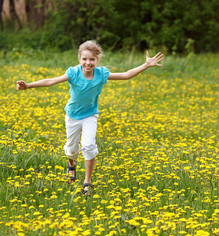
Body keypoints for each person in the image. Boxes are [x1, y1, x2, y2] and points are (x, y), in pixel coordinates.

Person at [17, 40, 164, 195]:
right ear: (79, 59)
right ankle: (71, 165)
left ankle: (87, 181)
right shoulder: (73, 73)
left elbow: (126, 75)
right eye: (84, 59)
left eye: (92, 59)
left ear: (97, 60)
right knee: (72, 149)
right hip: (72, 116)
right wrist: (28, 85)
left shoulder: (101, 74)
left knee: (88, 146)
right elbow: (51, 81)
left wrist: (146, 65)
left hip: (90, 115)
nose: (88, 63)